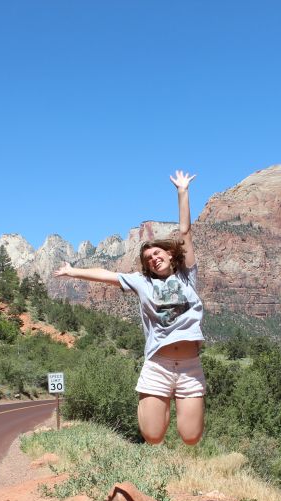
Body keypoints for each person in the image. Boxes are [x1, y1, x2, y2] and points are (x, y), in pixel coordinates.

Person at [54, 170, 205, 445]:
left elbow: (185, 231)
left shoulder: (187, 276)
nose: (153, 259)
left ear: (170, 254)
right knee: (153, 435)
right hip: (157, 364)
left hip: (190, 366)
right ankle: (158, 408)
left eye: (157, 253)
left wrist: (182, 191)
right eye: (148, 258)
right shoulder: (141, 282)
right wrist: (73, 271)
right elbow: (107, 274)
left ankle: (171, 406)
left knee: (191, 437)